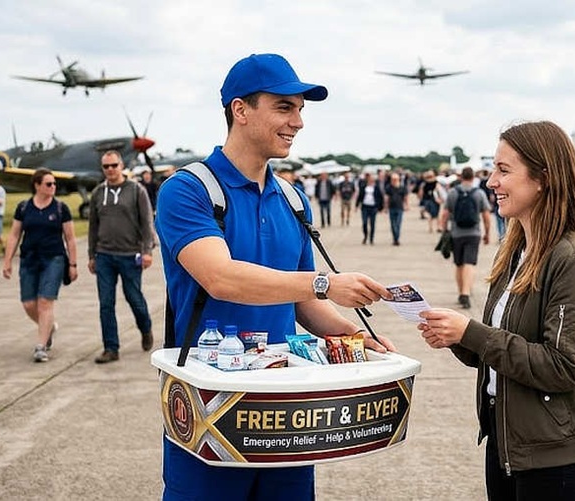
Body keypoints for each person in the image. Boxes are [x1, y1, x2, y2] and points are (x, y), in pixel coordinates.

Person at [154, 53, 396, 501]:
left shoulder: (293, 198)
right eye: (285, 106)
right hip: (211, 407)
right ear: (240, 110)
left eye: (301, 109)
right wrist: (324, 283)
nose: (298, 121)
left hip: (284, 414)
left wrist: (354, 338)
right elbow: (221, 278)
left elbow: (301, 302)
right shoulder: (186, 190)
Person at [418, 120, 575, 501]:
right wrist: (455, 336)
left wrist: (470, 332)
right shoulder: (517, 252)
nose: (492, 181)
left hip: (553, 455)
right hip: (508, 440)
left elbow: (563, 367)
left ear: (543, 178)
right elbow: (502, 349)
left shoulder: (573, 259)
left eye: (504, 170)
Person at [87, 150, 156, 364]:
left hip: (130, 255)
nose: (110, 170)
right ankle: (111, 348)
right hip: (104, 255)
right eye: (106, 167)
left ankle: (145, 329)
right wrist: (92, 255)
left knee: (134, 297)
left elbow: (147, 223)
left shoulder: (136, 190)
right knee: (106, 303)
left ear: (121, 165)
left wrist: (147, 251)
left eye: (113, 165)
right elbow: (93, 226)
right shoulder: (98, 193)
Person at [3, 168, 78, 363]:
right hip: (29, 259)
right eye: (48, 184)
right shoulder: (24, 207)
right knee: (29, 303)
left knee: (45, 302)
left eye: (54, 184)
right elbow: (14, 234)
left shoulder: (61, 208)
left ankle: (41, 346)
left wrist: (73, 263)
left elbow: (70, 238)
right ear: (37, 185)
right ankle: (48, 327)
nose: (53, 187)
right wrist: (7, 260)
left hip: (54, 259)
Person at [439, 167, 491, 309]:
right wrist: (487, 233)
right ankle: (466, 293)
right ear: (473, 177)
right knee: (470, 263)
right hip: (473, 233)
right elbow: (486, 215)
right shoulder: (479, 193)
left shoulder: (453, 193)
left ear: (461, 177)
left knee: (459, 264)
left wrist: (444, 230)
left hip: (457, 233)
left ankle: (461, 291)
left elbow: (445, 214)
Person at [357, 171, 384, 245]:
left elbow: (380, 198)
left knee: (372, 224)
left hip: (373, 207)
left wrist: (381, 208)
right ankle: (365, 236)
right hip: (365, 207)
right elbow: (360, 196)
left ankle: (371, 238)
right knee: (365, 223)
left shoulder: (376, 188)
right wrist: (357, 205)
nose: (371, 181)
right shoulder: (364, 187)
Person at [384, 172, 409, 246]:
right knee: (393, 224)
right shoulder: (389, 187)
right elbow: (386, 198)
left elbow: (406, 197)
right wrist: (385, 207)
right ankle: (395, 238)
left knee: (398, 223)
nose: (394, 181)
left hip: (399, 208)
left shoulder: (402, 187)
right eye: (392, 179)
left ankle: (397, 238)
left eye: (395, 179)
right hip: (391, 208)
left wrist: (406, 205)